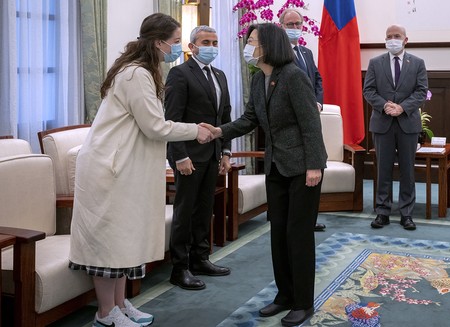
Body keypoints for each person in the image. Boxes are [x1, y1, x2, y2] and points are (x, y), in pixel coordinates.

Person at [68, 13, 212, 327]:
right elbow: (154, 126)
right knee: (110, 242)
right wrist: (194, 131)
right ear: (159, 42)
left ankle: (120, 304)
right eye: (175, 42)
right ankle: (106, 313)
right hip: (110, 168)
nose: (177, 49)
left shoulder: (143, 70)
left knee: (125, 239)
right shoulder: (135, 74)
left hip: (124, 167)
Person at [201, 23, 327, 327]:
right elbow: (249, 119)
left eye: (253, 41)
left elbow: (310, 124)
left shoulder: (294, 76)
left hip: (302, 168)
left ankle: (302, 303)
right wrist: (220, 131)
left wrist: (314, 165)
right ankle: (284, 296)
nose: (248, 46)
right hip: (275, 167)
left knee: (298, 235)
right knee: (279, 234)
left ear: (268, 45)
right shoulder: (259, 80)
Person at [165, 25, 232, 291]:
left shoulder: (220, 75)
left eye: (215, 42)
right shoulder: (179, 74)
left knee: (205, 208)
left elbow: (224, 117)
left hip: (213, 153)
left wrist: (226, 151)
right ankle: (179, 268)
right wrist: (179, 155)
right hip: (188, 155)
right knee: (185, 211)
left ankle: (200, 258)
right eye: (205, 42)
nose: (211, 47)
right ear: (192, 47)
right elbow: (172, 119)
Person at [363, 24, 428, 231]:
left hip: (408, 123)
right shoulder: (375, 62)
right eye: (389, 36)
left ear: (405, 40)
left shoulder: (417, 63)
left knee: (408, 170)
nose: (393, 39)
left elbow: (421, 91)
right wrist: (385, 106)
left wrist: (402, 108)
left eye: (397, 36)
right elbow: (369, 90)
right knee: (383, 169)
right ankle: (382, 212)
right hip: (382, 123)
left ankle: (406, 213)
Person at [279, 8, 326, 232]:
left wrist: (317, 102)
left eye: (298, 24)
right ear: (281, 26)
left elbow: (317, 79)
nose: (295, 28)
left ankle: (310, 218)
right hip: (291, 121)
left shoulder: (306, 52)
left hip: (311, 115)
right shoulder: (278, 55)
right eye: (290, 25)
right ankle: (299, 219)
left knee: (313, 168)